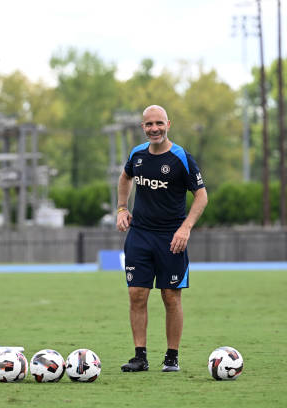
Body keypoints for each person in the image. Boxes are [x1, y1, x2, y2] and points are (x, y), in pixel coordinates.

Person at [117, 105, 208, 372]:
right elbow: (125, 178)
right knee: (136, 295)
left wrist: (186, 228)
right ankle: (140, 357)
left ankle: (172, 357)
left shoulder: (182, 158)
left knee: (170, 296)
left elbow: (202, 196)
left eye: (159, 123)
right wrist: (122, 208)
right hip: (140, 235)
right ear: (142, 127)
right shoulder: (137, 154)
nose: (154, 129)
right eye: (148, 124)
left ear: (168, 123)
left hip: (171, 239)